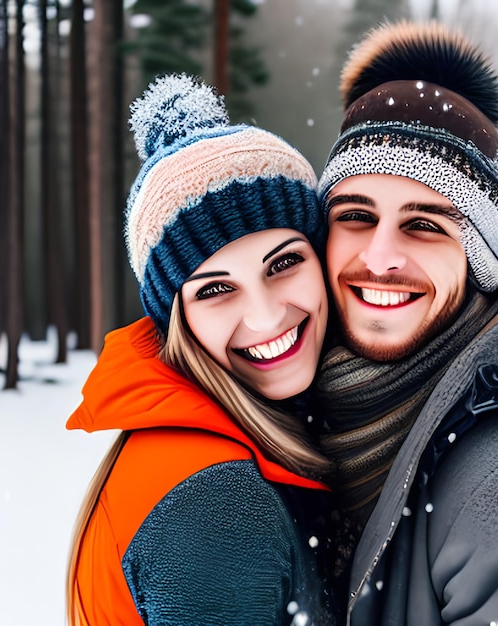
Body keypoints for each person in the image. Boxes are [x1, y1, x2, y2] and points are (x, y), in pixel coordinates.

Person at [65, 74, 337, 625]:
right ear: (176, 320)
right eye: (215, 290)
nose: (264, 316)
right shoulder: (213, 503)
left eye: (284, 263)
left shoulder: (219, 442)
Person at [315, 20, 498, 625]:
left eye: (424, 225)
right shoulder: (302, 404)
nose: (379, 258)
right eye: (355, 215)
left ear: (480, 259)